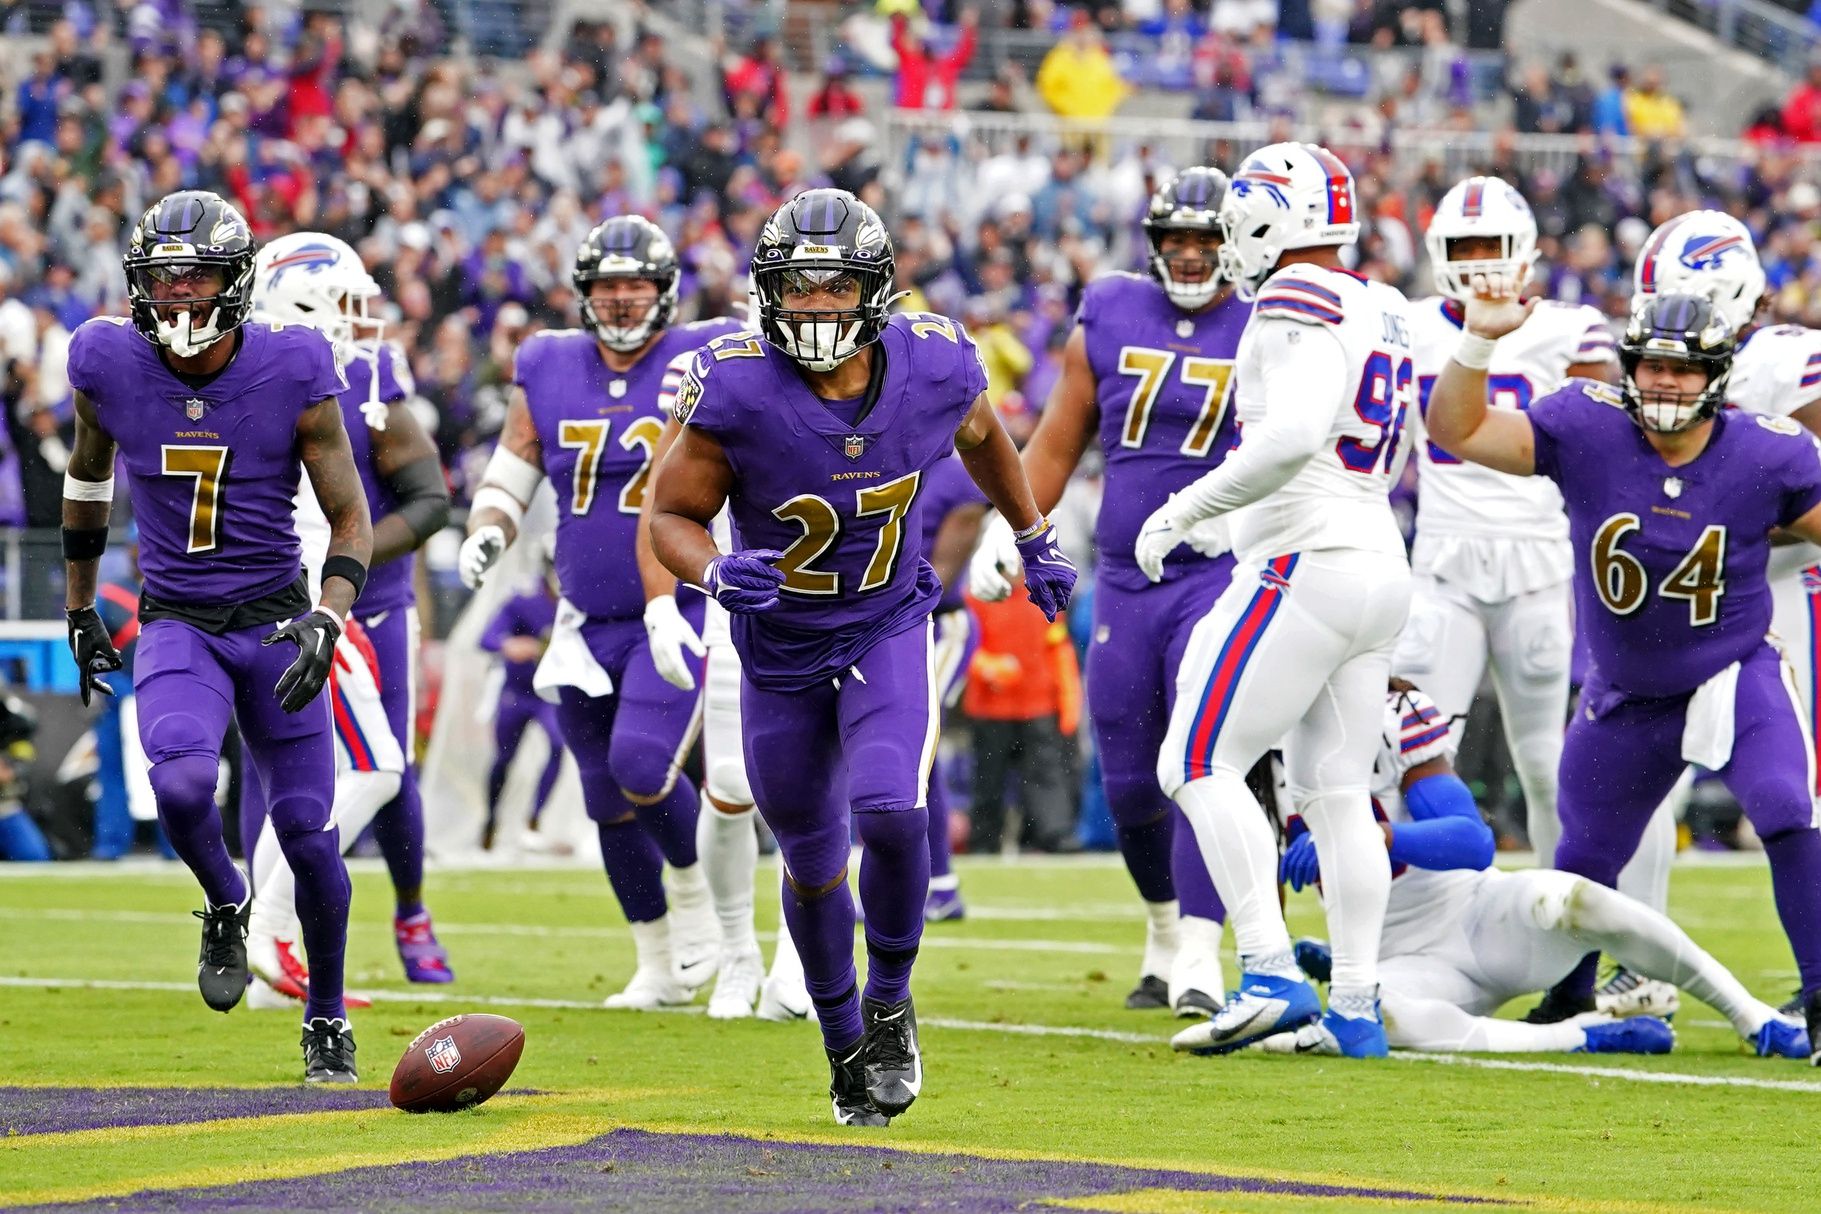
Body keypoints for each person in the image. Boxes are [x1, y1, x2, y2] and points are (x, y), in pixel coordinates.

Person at [649, 188, 1076, 1126]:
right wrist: (717, 573)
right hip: (779, 646)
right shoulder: (735, 386)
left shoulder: (932, 362)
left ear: (873, 290)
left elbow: (982, 435)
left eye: (832, 288)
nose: (811, 310)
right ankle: (842, 1039)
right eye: (792, 291)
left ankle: (888, 1001)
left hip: (885, 622)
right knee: (808, 857)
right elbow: (669, 515)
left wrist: (1033, 532)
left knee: (890, 809)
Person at [1425, 283, 1821, 1063]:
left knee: (1783, 807)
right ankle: (1571, 993)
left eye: (1682, 370)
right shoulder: (1586, 427)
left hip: (1728, 671)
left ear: (1716, 375)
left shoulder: (1766, 451)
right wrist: (1476, 342)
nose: (1664, 384)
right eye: (1649, 367)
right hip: (1626, 692)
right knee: (1583, 859)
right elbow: (1456, 428)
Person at [62, 190, 371, 1082]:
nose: (178, 296)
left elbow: (348, 518)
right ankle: (226, 903)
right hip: (179, 619)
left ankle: (326, 1016)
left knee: (310, 834)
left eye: (195, 277)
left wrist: (329, 615)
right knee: (186, 785)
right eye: (162, 279)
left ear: (236, 283)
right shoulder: (106, 358)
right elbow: (87, 484)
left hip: (276, 616)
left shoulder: (294, 364)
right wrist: (81, 606)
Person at [1137, 143, 1415, 1058]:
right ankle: (1358, 1007)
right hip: (1374, 555)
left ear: (1269, 215)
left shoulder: (1295, 297)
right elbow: (1345, 447)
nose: (1224, 238)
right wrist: (1237, 528)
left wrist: (1184, 509)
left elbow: (1294, 436)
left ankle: (1267, 969)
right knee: (1337, 795)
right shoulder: (1382, 304)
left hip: (1309, 561)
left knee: (1194, 759)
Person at [968, 165, 1243, 1017]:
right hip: (1127, 577)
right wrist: (1005, 527)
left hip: (1223, 568)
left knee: (1203, 756)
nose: (1192, 256)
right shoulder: (1112, 310)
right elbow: (1055, 441)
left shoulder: (1270, 317)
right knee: (1126, 776)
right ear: (1153, 243)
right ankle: (1164, 931)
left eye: (1207, 240)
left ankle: (1202, 945)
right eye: (1177, 240)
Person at [458, 215, 740, 1010]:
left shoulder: (706, 351)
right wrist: (487, 527)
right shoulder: (547, 363)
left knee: (643, 765)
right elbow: (515, 464)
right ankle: (656, 961)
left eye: (635, 285)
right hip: (582, 618)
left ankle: (710, 920)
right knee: (603, 796)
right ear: (583, 294)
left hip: (680, 604)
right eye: (606, 286)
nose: (620, 300)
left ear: (664, 291)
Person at [1249, 683, 1808, 1060]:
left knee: (1580, 900)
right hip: (1401, 958)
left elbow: (1471, 841)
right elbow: (1258, 890)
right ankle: (1580, 1035)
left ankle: (1753, 1016)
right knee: (1382, 1017)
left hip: (1477, 917)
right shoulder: (1254, 748)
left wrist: (1369, 839)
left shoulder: (1390, 711)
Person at [242, 232, 454, 999]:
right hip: (308, 593)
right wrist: (338, 583)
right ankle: (265, 926)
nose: (363, 323)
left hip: (270, 591)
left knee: (324, 768)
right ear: (300, 301)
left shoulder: (241, 368)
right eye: (347, 304)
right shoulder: (299, 376)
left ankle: (260, 937)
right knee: (372, 765)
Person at [1630, 211, 1821, 1015]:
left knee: (1797, 786)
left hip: (1783, 588)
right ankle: (1632, 974)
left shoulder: (1784, 358)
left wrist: (1712, 514)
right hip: (1679, 597)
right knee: (1636, 784)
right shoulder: (1653, 369)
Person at [1398, 176, 1615, 872]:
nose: (1479, 258)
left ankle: (1569, 937)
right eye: (1464, 244)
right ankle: (1425, 925)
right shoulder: (1405, 324)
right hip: (1440, 563)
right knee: (1420, 754)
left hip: (1536, 563)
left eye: (1492, 242)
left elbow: (1603, 446)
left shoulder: (1568, 328)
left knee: (1546, 765)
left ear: (1522, 249)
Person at [912, 454, 989, 921]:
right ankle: (936, 883)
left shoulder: (958, 475)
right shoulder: (876, 453)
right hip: (879, 624)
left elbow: (941, 575)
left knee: (912, 746)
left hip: (939, 625)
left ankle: (937, 884)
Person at [478, 557, 565, 852]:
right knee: (504, 759)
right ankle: (491, 819)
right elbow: (487, 638)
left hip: (550, 694)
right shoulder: (523, 600)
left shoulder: (580, 601)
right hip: (518, 692)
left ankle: (535, 819)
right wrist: (509, 645)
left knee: (557, 745)